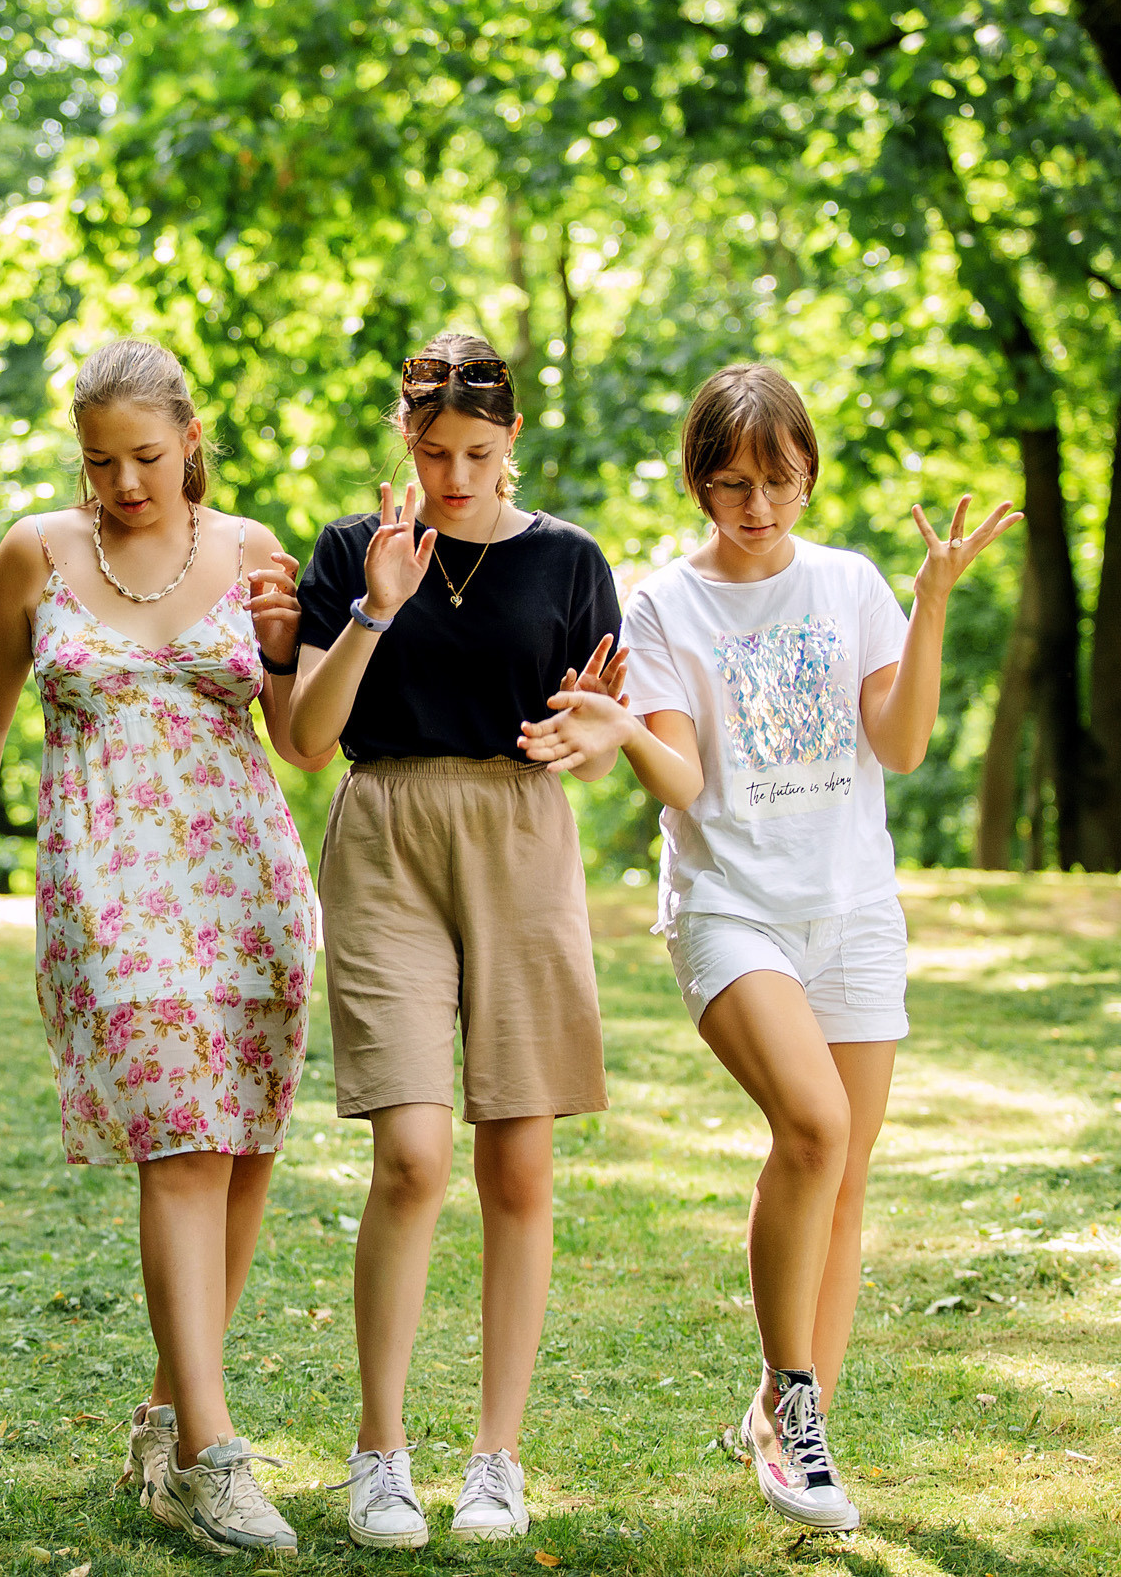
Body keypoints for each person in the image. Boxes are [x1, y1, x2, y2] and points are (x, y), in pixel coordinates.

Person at [519, 362, 1018, 1532]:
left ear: (807, 475)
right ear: (699, 479)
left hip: (852, 906)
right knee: (814, 1124)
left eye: (780, 480)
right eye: (733, 483)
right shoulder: (662, 605)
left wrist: (930, 597)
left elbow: (897, 744)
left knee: (842, 1174)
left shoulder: (848, 584)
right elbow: (685, 777)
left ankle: (796, 1425)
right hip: (730, 905)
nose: (757, 507)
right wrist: (621, 731)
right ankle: (793, 1401)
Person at [0, 339, 321, 1556]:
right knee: (183, 1144)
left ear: (189, 438)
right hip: (106, 889)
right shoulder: (36, 552)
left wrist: (325, 629)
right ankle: (215, 1455)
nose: (123, 483)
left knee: (242, 1148)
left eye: (145, 457)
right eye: (99, 461)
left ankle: (164, 1418)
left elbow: (302, 737)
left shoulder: (253, 549)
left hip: (246, 880)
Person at [286, 331, 633, 1548]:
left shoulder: (570, 559)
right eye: (433, 451)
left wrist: (592, 738)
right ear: (404, 437)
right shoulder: (349, 551)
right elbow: (305, 735)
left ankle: (496, 1456)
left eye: (478, 453)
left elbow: (606, 724)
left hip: (521, 836)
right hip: (383, 829)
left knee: (518, 1165)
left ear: (512, 442)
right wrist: (376, 609)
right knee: (412, 1156)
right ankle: (379, 1452)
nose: (454, 476)